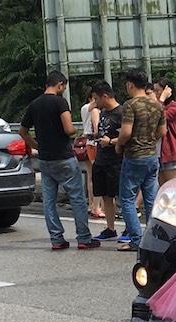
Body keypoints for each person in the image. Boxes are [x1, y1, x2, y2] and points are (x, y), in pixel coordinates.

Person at [19, 71, 100, 251]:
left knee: (49, 201)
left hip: (45, 159)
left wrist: (36, 145)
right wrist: (76, 132)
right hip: (63, 156)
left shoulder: (34, 104)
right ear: (60, 85)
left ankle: (56, 239)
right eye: (64, 87)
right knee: (77, 198)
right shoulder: (60, 102)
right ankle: (84, 238)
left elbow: (23, 131)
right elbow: (68, 129)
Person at [116, 69, 165, 252]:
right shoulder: (157, 105)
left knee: (127, 199)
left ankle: (136, 240)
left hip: (134, 156)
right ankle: (153, 239)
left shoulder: (130, 105)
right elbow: (163, 132)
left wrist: (118, 144)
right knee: (151, 199)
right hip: (152, 156)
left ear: (130, 84)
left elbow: (126, 132)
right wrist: (149, 140)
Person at [90, 81, 123, 240]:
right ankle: (110, 228)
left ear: (104, 96)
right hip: (101, 158)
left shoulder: (121, 113)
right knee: (105, 196)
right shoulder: (103, 112)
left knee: (120, 195)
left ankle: (129, 229)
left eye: (96, 99)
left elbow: (127, 136)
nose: (95, 102)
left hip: (115, 160)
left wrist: (110, 142)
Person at [79, 88, 104, 219]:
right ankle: (97, 207)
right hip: (94, 144)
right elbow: (96, 128)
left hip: (87, 143)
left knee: (90, 177)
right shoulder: (94, 110)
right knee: (97, 176)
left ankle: (91, 204)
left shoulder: (83, 108)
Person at [154, 77, 176, 184]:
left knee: (172, 188)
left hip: (170, 153)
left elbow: (157, 115)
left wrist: (162, 98)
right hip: (157, 154)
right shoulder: (159, 105)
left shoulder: (175, 108)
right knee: (160, 190)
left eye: (158, 91)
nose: (155, 94)